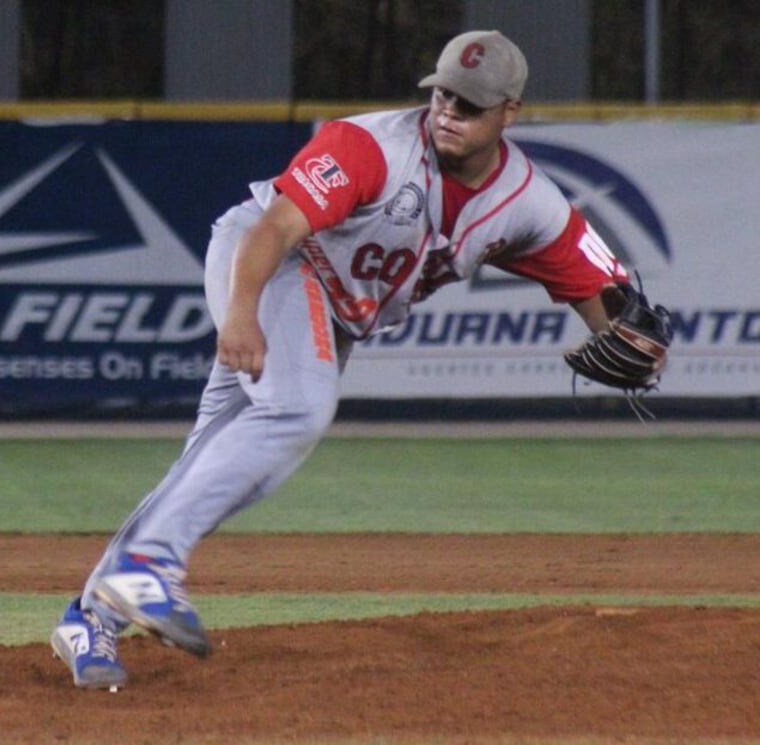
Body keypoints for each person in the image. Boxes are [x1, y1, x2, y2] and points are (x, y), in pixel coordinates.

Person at [50, 30, 633, 689]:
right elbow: (277, 227)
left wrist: (628, 329)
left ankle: (91, 614)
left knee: (219, 457)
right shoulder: (372, 146)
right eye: (442, 93)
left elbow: (599, 288)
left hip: (334, 311)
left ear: (509, 113)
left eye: (468, 104)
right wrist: (240, 311)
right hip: (275, 263)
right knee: (297, 409)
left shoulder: (526, 199)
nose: (447, 110)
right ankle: (148, 565)